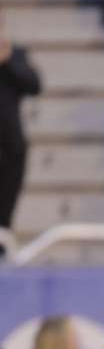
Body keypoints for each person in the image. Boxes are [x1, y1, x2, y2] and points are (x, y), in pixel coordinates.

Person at [0, 14, 41, 232]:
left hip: (10, 144)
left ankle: (3, 232)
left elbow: (34, 85)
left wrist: (6, 62)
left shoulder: (15, 54)